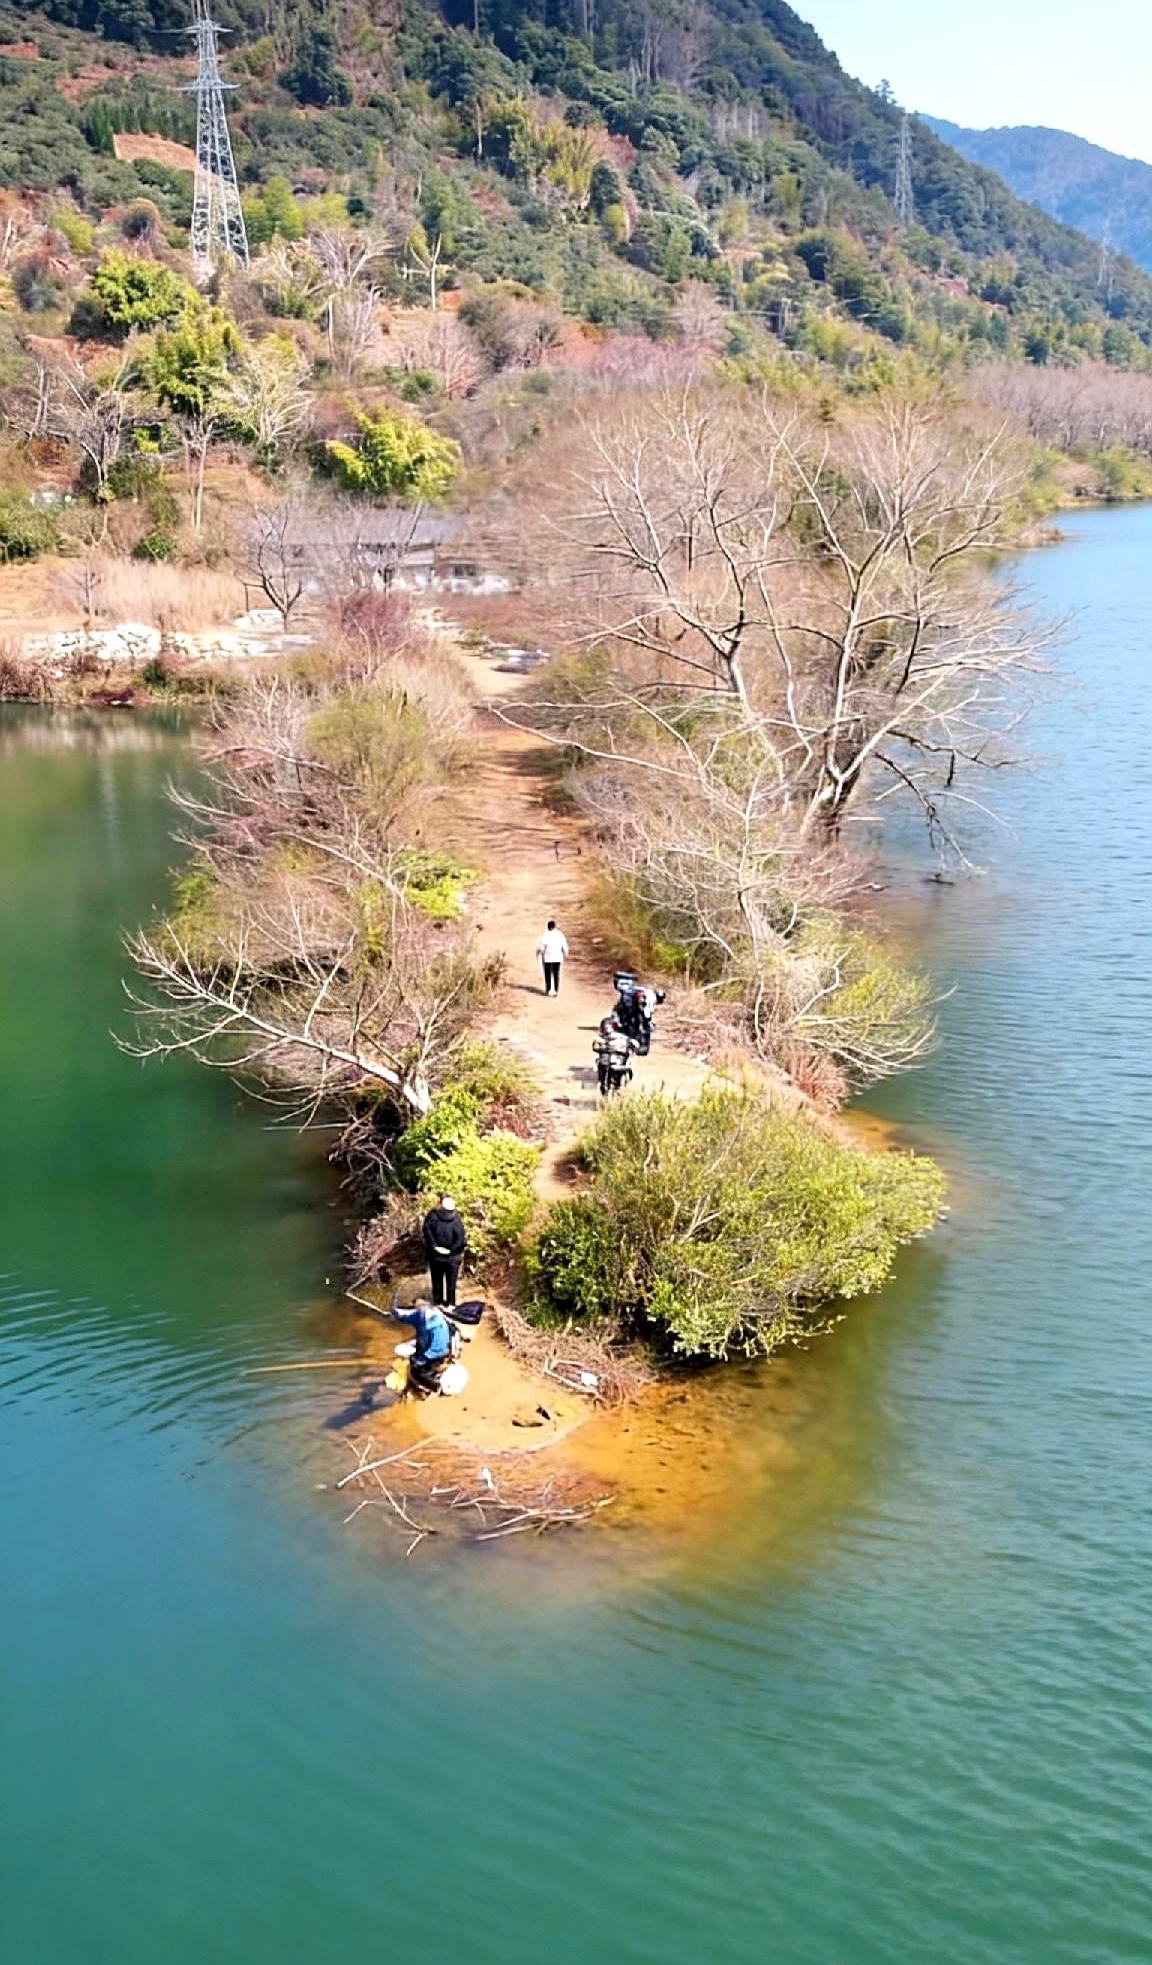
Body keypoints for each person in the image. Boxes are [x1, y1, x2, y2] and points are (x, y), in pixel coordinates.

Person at [395, 1300, 455, 1397]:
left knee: (416, 1371)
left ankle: (435, 1386)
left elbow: (427, 1349)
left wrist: (416, 1360)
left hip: (435, 1355)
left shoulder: (424, 1323)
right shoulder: (438, 1314)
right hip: (446, 1350)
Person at [422, 1194, 467, 1308]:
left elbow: (427, 1230)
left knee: (440, 1281)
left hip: (441, 1256)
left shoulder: (432, 1216)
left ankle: (441, 1303)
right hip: (449, 1257)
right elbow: (460, 1239)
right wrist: (449, 1250)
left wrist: (435, 1246)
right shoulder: (456, 1219)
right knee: (449, 1282)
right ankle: (447, 1304)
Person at [536, 919, 569, 997]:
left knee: (547, 974)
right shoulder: (560, 934)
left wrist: (539, 953)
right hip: (557, 958)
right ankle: (556, 991)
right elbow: (564, 946)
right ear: (555, 926)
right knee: (556, 974)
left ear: (548, 927)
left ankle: (548, 990)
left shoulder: (545, 935)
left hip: (547, 958)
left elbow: (541, 947)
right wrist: (565, 954)